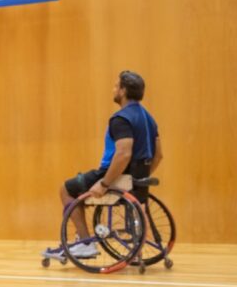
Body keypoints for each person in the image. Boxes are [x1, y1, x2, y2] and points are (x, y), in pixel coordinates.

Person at [44, 70, 162, 259]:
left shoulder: (121, 119)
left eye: (116, 86)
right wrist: (139, 178)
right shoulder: (149, 119)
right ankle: (84, 240)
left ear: (123, 91)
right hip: (136, 178)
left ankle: (85, 243)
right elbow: (158, 155)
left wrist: (105, 183)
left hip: (112, 175)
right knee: (81, 185)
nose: (113, 89)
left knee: (66, 189)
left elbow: (123, 154)